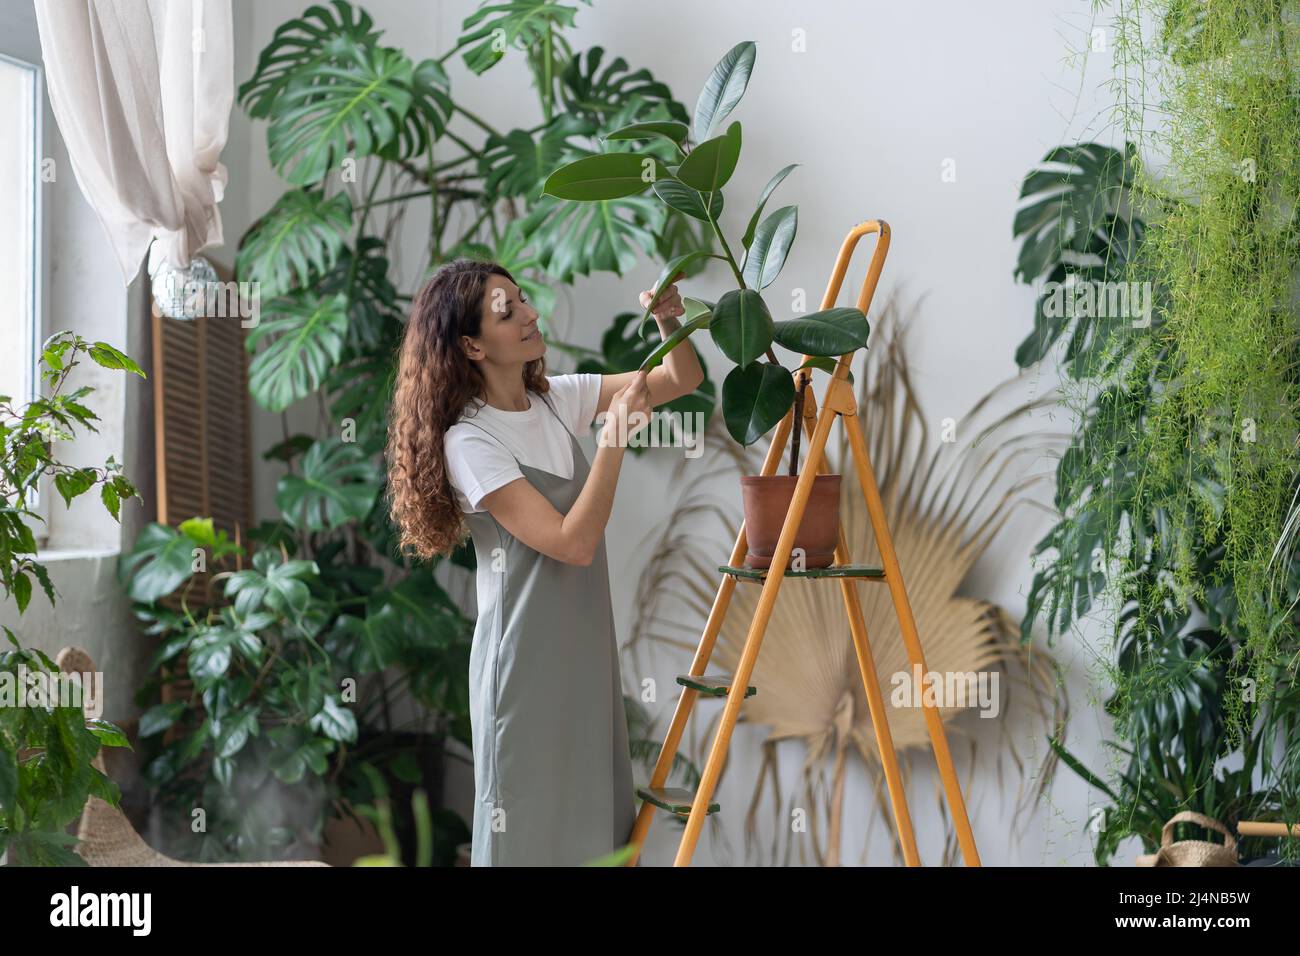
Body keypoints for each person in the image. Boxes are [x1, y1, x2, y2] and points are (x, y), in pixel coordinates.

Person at [385, 257, 704, 866]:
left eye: (523, 299)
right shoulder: (470, 443)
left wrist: (670, 322)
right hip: (525, 667)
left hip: (582, 652)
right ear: (472, 345)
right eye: (508, 312)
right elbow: (572, 542)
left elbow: (677, 379)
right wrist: (613, 440)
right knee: (525, 836)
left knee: (593, 828)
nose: (530, 314)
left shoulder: (557, 400)